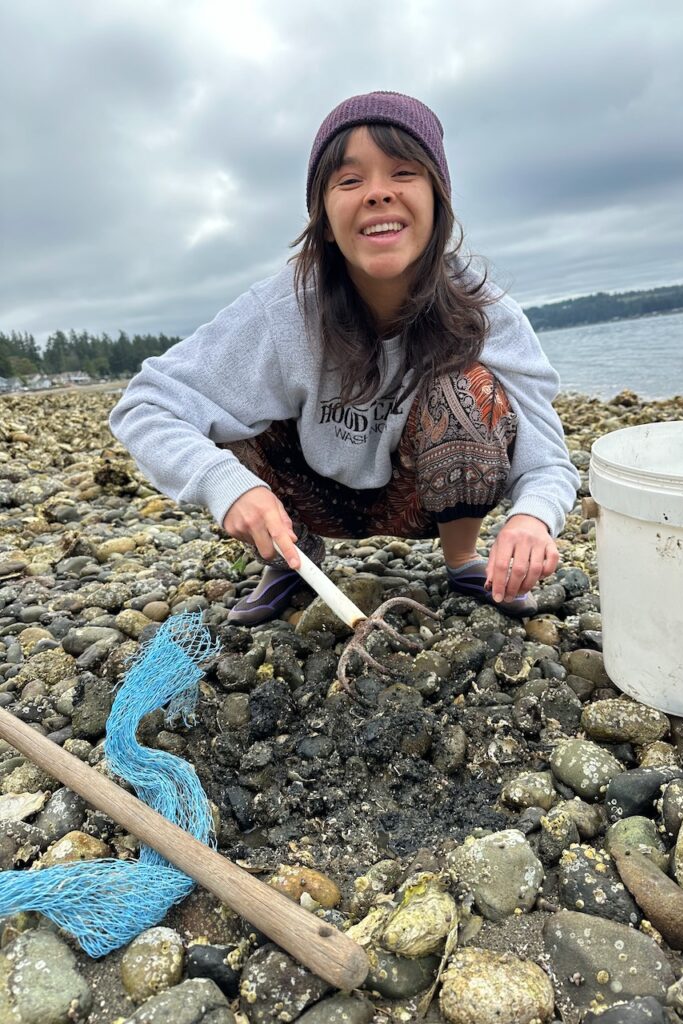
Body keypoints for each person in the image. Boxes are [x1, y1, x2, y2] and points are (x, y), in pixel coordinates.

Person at [110, 91, 579, 627]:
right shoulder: (282, 309)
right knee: (219, 408)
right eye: (350, 181)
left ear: (437, 197)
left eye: (403, 172)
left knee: (468, 389)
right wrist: (227, 486)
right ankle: (289, 562)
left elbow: (547, 459)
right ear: (325, 218)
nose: (378, 194)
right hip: (303, 500)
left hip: (421, 497)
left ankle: (461, 560)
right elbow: (146, 403)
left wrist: (532, 519)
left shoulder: (485, 311)